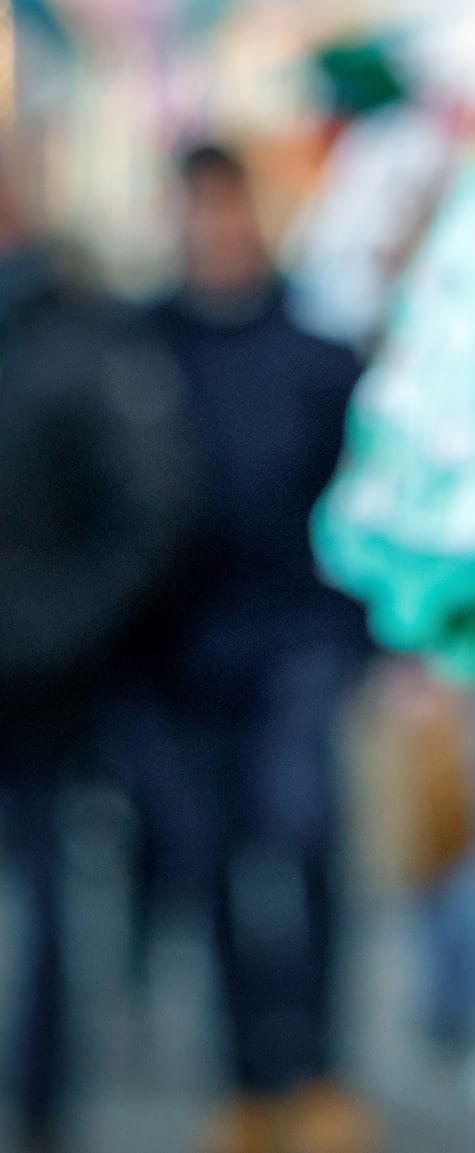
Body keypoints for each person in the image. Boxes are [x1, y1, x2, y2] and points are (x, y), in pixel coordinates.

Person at [140, 143, 372, 1153]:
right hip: (183, 656)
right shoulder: (143, 349)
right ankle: (244, 1075)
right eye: (200, 213)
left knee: (308, 843)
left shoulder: (317, 353)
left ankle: (318, 1067)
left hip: (300, 642)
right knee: (217, 866)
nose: (216, 231)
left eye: (229, 210)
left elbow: (359, 507)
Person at [0, 148, 190, 1152]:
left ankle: (39, 1100)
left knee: (47, 901)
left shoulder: (77, 337)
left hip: (48, 683)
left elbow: (146, 507)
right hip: (48, 659)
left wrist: (52, 630)